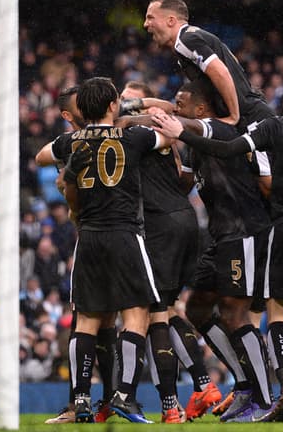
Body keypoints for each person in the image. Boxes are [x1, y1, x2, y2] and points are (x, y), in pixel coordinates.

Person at [152, 74, 283, 422]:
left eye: (181, 101)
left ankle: (277, 391)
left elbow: (233, 150)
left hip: (270, 229)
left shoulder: (273, 128)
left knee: (266, 312)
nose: (175, 106)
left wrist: (177, 130)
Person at [48, 77, 173, 423]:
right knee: (137, 314)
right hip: (124, 234)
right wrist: (145, 117)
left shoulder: (71, 140)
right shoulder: (134, 138)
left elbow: (47, 155)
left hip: (88, 236)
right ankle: (124, 395)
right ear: (112, 105)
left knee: (86, 319)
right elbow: (169, 134)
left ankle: (82, 400)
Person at [169, 80, 276, 423]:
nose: (174, 108)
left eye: (179, 103)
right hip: (220, 236)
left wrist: (159, 120)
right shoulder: (193, 145)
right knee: (198, 308)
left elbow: (193, 126)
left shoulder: (220, 129)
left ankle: (263, 398)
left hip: (244, 232)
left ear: (200, 109)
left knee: (235, 313)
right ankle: (244, 383)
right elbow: (184, 185)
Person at [119, 80, 221, 423]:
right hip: (183, 220)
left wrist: (137, 109)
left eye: (131, 102)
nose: (124, 107)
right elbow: (180, 175)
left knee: (154, 314)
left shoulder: (140, 129)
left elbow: (133, 119)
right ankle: (191, 393)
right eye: (121, 102)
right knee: (168, 310)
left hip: (161, 226)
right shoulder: (162, 134)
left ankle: (177, 401)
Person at [36, 87, 117, 425]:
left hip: (111, 232)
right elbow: (43, 157)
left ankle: (105, 398)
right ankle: (81, 401)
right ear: (69, 116)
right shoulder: (73, 142)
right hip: (96, 235)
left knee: (104, 320)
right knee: (92, 319)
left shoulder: (113, 133)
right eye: (78, 106)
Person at [143, 0, 275, 129]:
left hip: (251, 120)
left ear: (170, 20)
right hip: (251, 116)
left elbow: (221, 72)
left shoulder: (185, 40)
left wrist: (234, 116)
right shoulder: (190, 39)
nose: (145, 24)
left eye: (150, 17)